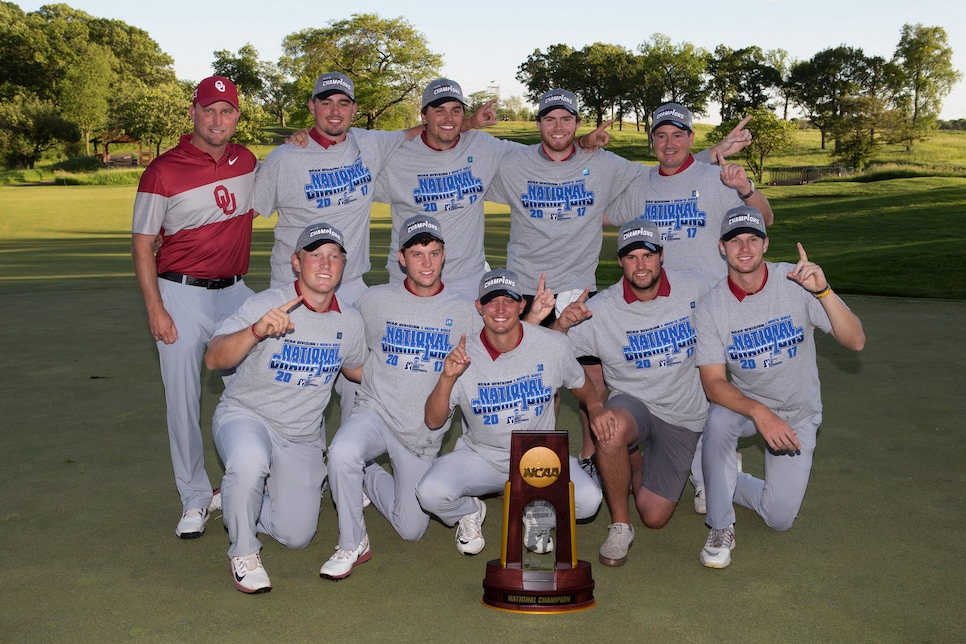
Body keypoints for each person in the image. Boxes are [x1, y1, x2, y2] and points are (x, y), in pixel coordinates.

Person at [609, 102, 774, 512]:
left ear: (691, 139)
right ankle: (695, 467)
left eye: (678, 135)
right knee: (682, 390)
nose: (669, 143)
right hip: (660, 306)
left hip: (712, 304)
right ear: (652, 141)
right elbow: (603, 215)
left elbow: (764, 219)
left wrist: (746, 188)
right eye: (661, 136)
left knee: (714, 390)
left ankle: (708, 475)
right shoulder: (640, 186)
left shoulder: (716, 178)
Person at [694, 206, 865, 569]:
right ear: (721, 248)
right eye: (734, 240)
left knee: (779, 518)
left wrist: (824, 292)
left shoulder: (796, 281)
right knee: (719, 423)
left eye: (752, 239)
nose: (744, 247)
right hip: (749, 409)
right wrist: (759, 412)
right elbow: (712, 383)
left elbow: (856, 341)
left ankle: (713, 473)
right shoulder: (711, 306)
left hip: (798, 413)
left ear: (765, 244)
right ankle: (721, 527)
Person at [203, 223, 367, 593]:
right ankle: (243, 552)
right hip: (247, 415)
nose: (325, 264)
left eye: (334, 256)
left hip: (301, 435)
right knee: (248, 461)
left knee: (296, 535)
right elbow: (214, 359)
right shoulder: (266, 304)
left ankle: (233, 496)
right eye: (315, 255)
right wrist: (257, 331)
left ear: (343, 264)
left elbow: (357, 370)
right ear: (296, 262)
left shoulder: (350, 322)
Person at [321, 215, 481, 580]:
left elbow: (495, 359)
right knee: (343, 450)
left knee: (411, 529)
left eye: (434, 253)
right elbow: (349, 353)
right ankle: (352, 541)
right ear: (401, 258)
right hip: (375, 413)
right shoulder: (374, 300)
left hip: (420, 434)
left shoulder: (465, 311)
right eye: (417, 253)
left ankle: (369, 477)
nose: (426, 262)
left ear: (444, 256)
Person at [132, 76, 256, 539]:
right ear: (193, 112)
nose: (218, 119)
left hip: (236, 293)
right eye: (210, 110)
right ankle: (194, 497)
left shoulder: (247, 160)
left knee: (260, 384)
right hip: (180, 294)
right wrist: (155, 308)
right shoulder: (162, 171)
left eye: (227, 111)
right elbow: (143, 243)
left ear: (237, 117)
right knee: (182, 400)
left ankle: (251, 480)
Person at [553, 220, 712, 567]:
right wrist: (563, 324)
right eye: (631, 258)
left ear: (661, 256)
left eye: (647, 255)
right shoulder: (603, 307)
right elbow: (547, 350)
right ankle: (621, 526)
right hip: (633, 405)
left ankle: (632, 457)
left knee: (654, 515)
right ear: (620, 262)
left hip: (683, 414)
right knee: (609, 428)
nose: (640, 265)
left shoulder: (694, 288)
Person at [416, 268, 603, 556]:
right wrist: (447, 377)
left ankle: (535, 510)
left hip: (539, 457)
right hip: (483, 457)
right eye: (491, 301)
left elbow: (583, 387)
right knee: (430, 492)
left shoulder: (552, 345)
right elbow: (433, 420)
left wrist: (596, 407)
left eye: (508, 300)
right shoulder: (463, 354)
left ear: (521, 305)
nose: (500, 308)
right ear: (479, 307)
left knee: (589, 500)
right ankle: (470, 510)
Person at [375, 79, 519, 299]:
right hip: (409, 281)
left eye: (456, 110)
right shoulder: (397, 156)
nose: (449, 118)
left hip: (467, 281)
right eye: (439, 110)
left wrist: (582, 142)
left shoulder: (483, 146)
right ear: (424, 116)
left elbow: (535, 157)